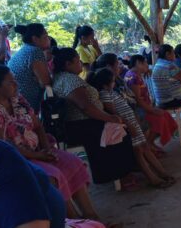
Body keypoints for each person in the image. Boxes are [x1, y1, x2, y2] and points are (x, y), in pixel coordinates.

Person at [0, 64, 99, 221]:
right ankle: (71, 221)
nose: (16, 84)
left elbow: (38, 126)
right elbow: (4, 148)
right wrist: (37, 155)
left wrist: (47, 149)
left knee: (73, 162)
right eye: (10, 82)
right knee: (54, 177)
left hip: (37, 151)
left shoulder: (18, 100)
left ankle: (91, 217)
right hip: (17, 159)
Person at [52, 48, 136, 186]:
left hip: (83, 122)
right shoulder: (70, 81)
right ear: (68, 64)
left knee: (119, 127)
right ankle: (120, 175)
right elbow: (86, 107)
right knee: (119, 131)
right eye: (77, 61)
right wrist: (110, 118)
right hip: (82, 124)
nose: (81, 63)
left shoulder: (63, 78)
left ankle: (123, 172)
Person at [87, 68, 175, 189]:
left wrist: (134, 120)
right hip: (128, 125)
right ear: (105, 84)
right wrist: (129, 125)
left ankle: (162, 173)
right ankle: (153, 178)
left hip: (132, 122)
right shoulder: (105, 94)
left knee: (145, 148)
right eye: (112, 81)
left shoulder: (112, 92)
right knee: (139, 152)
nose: (114, 83)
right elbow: (114, 114)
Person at [124, 55, 178, 150]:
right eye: (144, 63)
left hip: (145, 107)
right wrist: (153, 110)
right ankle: (148, 144)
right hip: (139, 111)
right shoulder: (133, 78)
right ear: (138, 63)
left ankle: (151, 143)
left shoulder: (136, 75)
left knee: (165, 115)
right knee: (160, 118)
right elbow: (138, 100)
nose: (147, 65)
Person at [8, 24, 52, 113]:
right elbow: (46, 83)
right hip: (26, 104)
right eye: (46, 36)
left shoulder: (25, 49)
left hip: (16, 102)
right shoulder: (35, 52)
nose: (49, 39)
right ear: (35, 39)